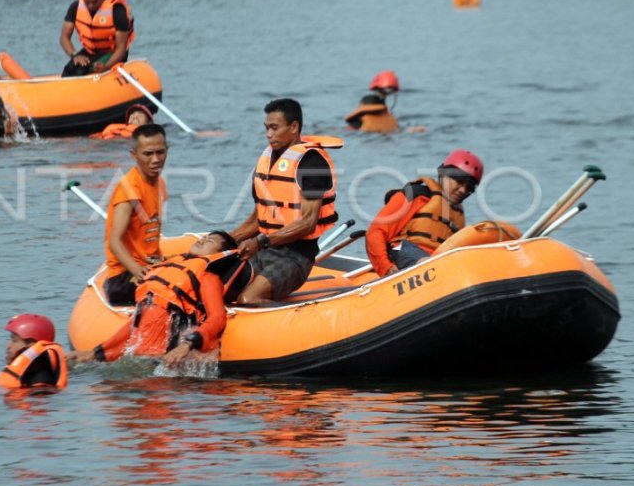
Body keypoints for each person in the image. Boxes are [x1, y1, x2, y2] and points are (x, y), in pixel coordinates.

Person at [69, 231, 251, 367]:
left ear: (218, 253)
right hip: (147, 361)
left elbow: (217, 318)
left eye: (210, 241)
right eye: (203, 238)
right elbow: (140, 323)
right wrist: (95, 353)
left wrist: (187, 345)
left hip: (165, 362)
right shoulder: (172, 266)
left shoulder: (208, 278)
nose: (202, 240)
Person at [229, 98, 339, 303]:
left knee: (248, 299)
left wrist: (261, 242)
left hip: (295, 256)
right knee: (220, 286)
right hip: (265, 249)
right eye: (266, 128)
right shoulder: (267, 160)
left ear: (294, 127)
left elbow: (308, 223)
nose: (268, 134)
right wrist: (224, 241)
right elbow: (256, 220)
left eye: (274, 127)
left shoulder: (311, 162)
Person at [365, 148, 483, 276]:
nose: (463, 190)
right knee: (430, 264)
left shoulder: (457, 215)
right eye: (459, 182)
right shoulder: (416, 194)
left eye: (469, 188)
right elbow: (376, 232)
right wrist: (385, 267)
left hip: (437, 261)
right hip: (404, 250)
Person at [103, 123, 168, 305]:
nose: (155, 159)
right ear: (134, 155)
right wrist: (138, 270)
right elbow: (114, 242)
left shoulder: (160, 183)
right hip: (123, 278)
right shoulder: (129, 189)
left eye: (160, 152)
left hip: (152, 264)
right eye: (148, 154)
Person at [60, 0, 135, 77]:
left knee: (94, 71)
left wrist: (106, 66)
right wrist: (75, 55)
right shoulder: (75, 7)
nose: (90, 5)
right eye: (87, 2)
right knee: (69, 71)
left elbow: (121, 48)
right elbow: (64, 37)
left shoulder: (117, 10)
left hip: (113, 52)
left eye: (94, 2)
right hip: (91, 51)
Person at [0, 313, 68, 389]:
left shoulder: (41, 382)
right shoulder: (28, 374)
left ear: (31, 346)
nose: (8, 346)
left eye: (14, 340)